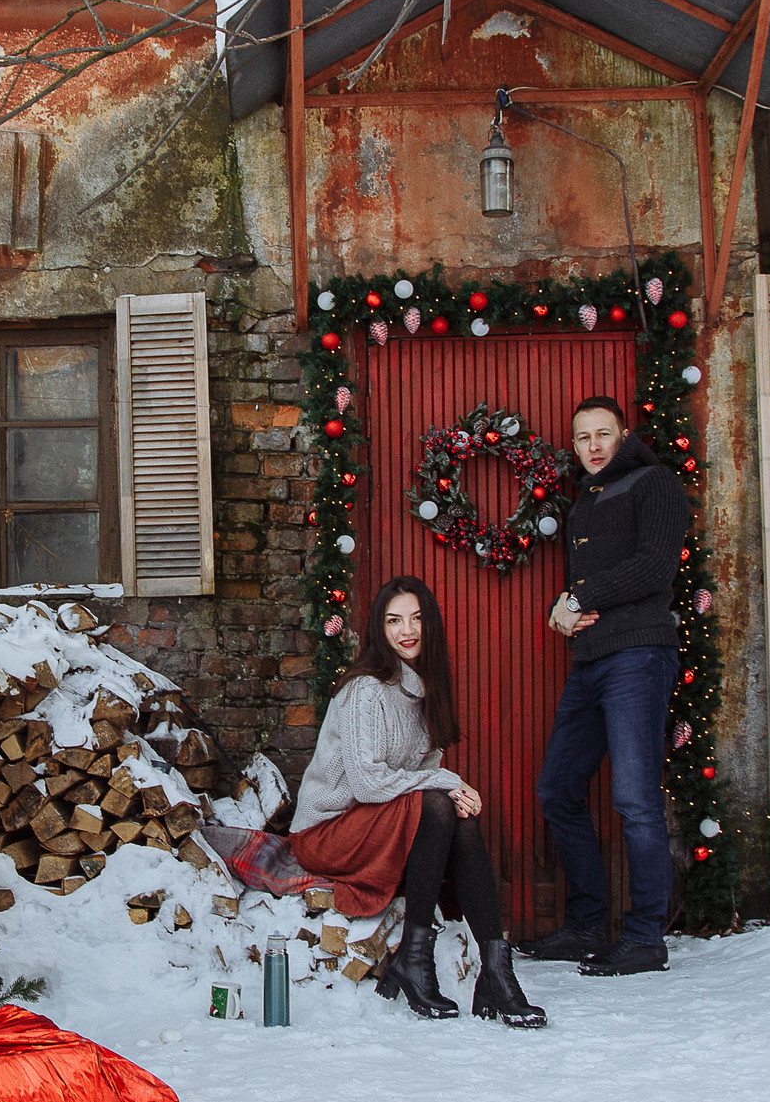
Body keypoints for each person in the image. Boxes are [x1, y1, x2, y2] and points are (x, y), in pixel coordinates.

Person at [290, 576, 543, 1028]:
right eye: (393, 621)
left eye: (416, 618)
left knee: (455, 813)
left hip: (375, 823)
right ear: (379, 629)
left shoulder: (425, 688)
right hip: (326, 830)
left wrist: (448, 788)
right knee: (440, 801)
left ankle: (496, 973)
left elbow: (424, 772)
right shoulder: (366, 689)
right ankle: (415, 956)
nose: (406, 630)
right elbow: (369, 785)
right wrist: (448, 782)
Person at [524, 395, 689, 978]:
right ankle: (587, 926)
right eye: (582, 438)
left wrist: (578, 600)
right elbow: (582, 589)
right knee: (558, 790)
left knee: (636, 799)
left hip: (639, 656)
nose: (593, 446)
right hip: (592, 660)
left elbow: (655, 568)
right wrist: (564, 611)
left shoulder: (655, 483)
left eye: (603, 434)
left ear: (623, 434)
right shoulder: (584, 502)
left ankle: (645, 937)